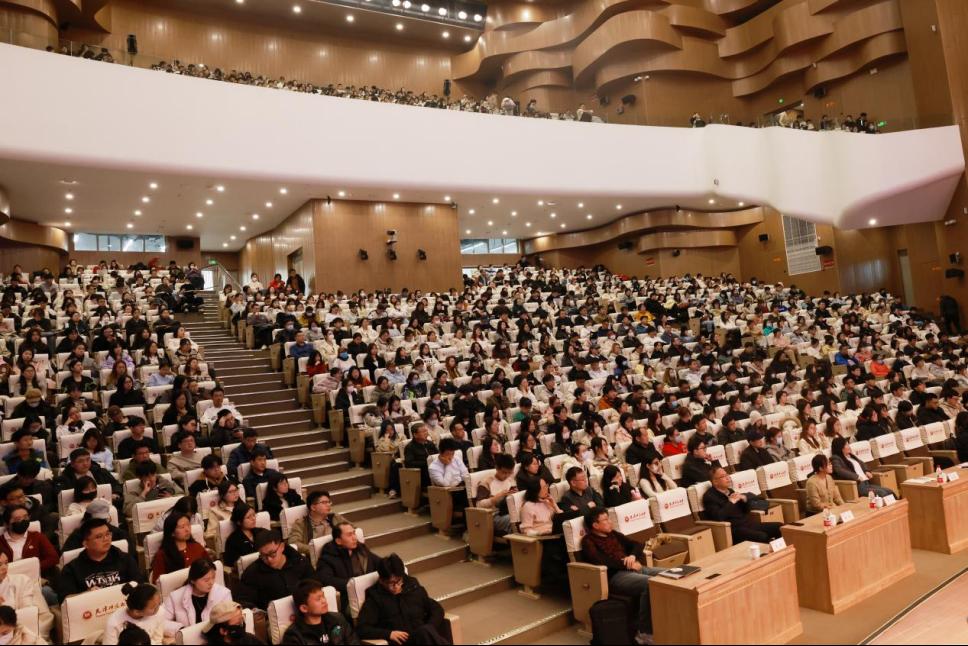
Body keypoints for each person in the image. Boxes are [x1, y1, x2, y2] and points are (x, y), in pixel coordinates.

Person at [581, 508, 663, 645]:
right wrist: (627, 565)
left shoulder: (613, 534)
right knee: (651, 583)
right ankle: (644, 633)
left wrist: (632, 556)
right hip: (616, 576)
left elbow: (637, 544)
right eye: (605, 520)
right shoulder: (588, 541)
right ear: (595, 525)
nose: (610, 522)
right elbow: (601, 561)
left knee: (669, 574)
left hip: (634, 568)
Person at [357, 553, 449, 645]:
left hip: (423, 637)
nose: (396, 586)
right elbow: (362, 629)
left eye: (398, 581)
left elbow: (437, 609)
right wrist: (388, 634)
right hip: (402, 642)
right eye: (391, 583)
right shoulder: (375, 598)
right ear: (381, 581)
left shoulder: (412, 587)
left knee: (424, 632)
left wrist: (430, 626)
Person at [58, 518, 144, 601]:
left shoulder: (125, 559)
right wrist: (86, 595)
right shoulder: (72, 569)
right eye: (99, 537)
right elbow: (65, 600)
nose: (106, 539)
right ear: (86, 544)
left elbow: (140, 586)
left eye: (108, 534)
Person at [237, 530, 318, 611]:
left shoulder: (299, 562)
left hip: (304, 611)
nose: (269, 559)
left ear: (282, 547)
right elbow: (244, 602)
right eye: (263, 556)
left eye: (272, 553)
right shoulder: (252, 573)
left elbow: (315, 587)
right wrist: (256, 611)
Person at [701, 467, 783, 542]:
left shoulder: (730, 491)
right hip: (734, 529)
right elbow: (718, 517)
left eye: (727, 475)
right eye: (723, 476)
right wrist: (731, 502)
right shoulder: (710, 497)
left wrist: (744, 500)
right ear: (715, 481)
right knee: (762, 536)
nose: (727, 478)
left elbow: (746, 511)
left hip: (748, 524)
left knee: (779, 527)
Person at [317, 522, 382, 611]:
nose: (354, 538)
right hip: (349, 599)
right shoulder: (327, 558)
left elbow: (379, 563)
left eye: (354, 533)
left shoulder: (361, 549)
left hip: (372, 592)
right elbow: (326, 580)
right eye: (349, 535)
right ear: (338, 541)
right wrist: (354, 584)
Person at [162, 557, 233, 633]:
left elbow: (231, 619)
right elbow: (161, 621)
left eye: (213, 578)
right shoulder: (176, 596)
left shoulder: (223, 594)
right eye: (206, 580)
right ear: (193, 580)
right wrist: (181, 629)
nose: (211, 582)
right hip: (188, 638)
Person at [281, 579, 359, 645]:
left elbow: (354, 642)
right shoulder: (293, 635)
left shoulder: (338, 619)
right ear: (304, 608)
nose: (324, 601)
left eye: (323, 596)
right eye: (318, 599)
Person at [0, 552, 53, 641]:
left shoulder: (22, 581)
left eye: (6, 563)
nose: (5, 567)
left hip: (23, 635)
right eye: (0, 565)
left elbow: (29, 617)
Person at [0, 504, 58, 575]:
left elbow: (53, 558)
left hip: (35, 576)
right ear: (7, 524)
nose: (23, 521)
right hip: (8, 578)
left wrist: (31, 568)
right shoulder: (1, 542)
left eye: (25, 517)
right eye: (18, 519)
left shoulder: (37, 536)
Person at [150, 512, 208, 582]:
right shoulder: (162, 555)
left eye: (188, 525)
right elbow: (157, 582)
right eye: (182, 527)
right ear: (172, 533)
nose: (187, 530)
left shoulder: (197, 547)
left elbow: (209, 568)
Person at [289, 490, 346, 556]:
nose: (328, 505)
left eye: (329, 502)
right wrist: (314, 550)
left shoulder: (335, 517)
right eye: (324, 502)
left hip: (339, 553)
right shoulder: (301, 523)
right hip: (317, 558)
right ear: (313, 507)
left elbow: (353, 529)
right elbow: (294, 543)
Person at [474, 453, 517, 534]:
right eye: (504, 472)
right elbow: (479, 505)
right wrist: (496, 498)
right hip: (493, 516)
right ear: (497, 468)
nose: (507, 475)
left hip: (508, 511)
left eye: (510, 472)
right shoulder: (486, 482)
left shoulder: (511, 481)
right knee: (514, 518)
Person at [223, 503, 267, 569]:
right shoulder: (232, 540)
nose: (253, 518)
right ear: (239, 522)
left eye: (254, 515)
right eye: (248, 517)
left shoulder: (261, 532)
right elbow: (231, 564)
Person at [200, 600, 264, 645]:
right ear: (223, 631)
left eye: (242, 620)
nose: (242, 625)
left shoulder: (249, 639)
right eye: (238, 624)